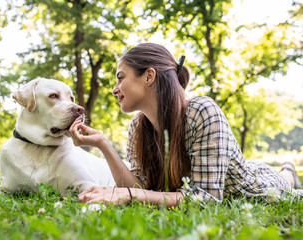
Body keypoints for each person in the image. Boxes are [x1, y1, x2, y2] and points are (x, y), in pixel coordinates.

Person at [69, 43, 302, 207]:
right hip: (225, 167)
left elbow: (206, 199)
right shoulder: (138, 126)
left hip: (258, 184)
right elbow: (140, 187)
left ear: (149, 76)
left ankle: (288, 171)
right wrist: (103, 144)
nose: (114, 88)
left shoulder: (202, 111)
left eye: (121, 77)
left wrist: (129, 195)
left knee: (286, 183)